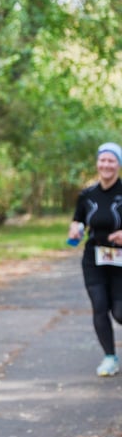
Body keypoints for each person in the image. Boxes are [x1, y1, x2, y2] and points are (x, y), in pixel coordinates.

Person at [68, 141, 122, 377]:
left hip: (120, 261)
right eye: (103, 160)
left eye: (111, 160)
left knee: (119, 312)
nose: (106, 164)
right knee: (99, 306)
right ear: (97, 163)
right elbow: (78, 220)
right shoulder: (87, 194)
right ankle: (110, 357)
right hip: (94, 258)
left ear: (118, 165)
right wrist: (75, 230)